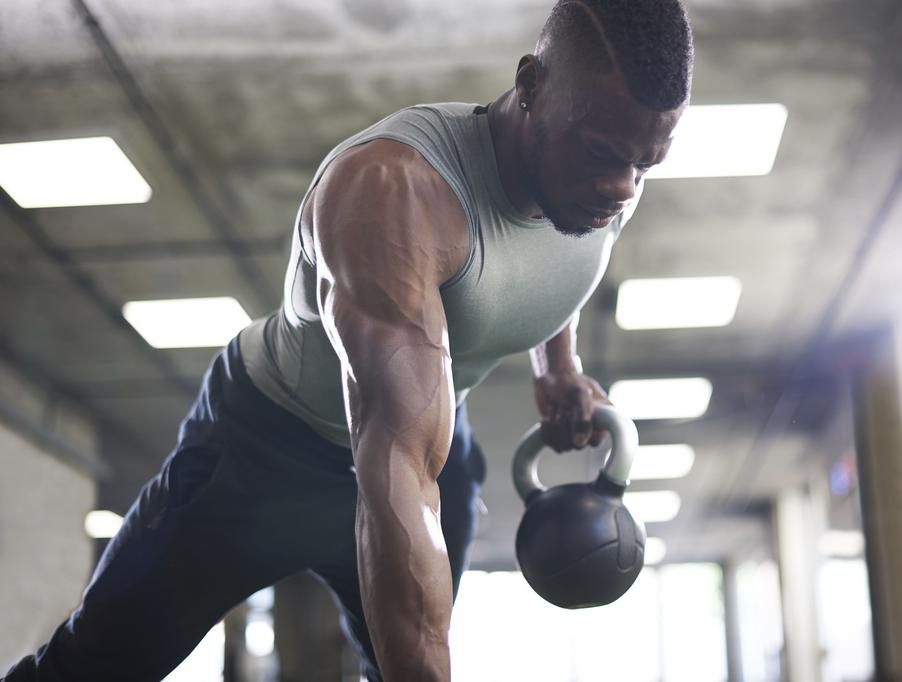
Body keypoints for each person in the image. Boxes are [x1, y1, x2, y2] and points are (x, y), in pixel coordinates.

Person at [3, 1, 693, 680]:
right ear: (532, 86)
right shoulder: (394, 191)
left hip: (430, 444)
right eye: (605, 155)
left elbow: (549, 260)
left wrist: (559, 366)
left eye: (646, 164)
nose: (623, 186)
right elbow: (393, 458)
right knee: (92, 666)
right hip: (266, 455)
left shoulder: (600, 172)